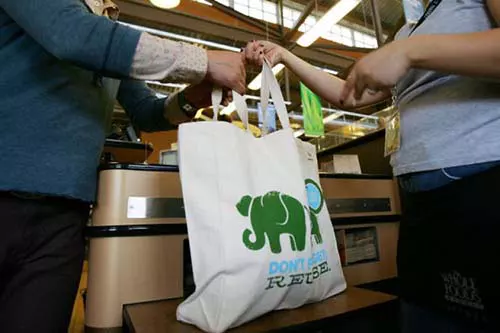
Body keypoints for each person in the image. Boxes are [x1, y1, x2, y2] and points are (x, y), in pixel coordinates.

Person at [246, 0, 500, 331]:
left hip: (481, 186)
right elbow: (348, 96)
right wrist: (286, 56)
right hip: (420, 203)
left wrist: (411, 51)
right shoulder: (410, 29)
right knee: (423, 313)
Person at [0, 0, 246, 331]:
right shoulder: (82, 24)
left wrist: (192, 98)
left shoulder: (105, 19)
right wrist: (203, 62)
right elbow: (70, 35)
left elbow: (145, 110)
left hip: (64, 215)